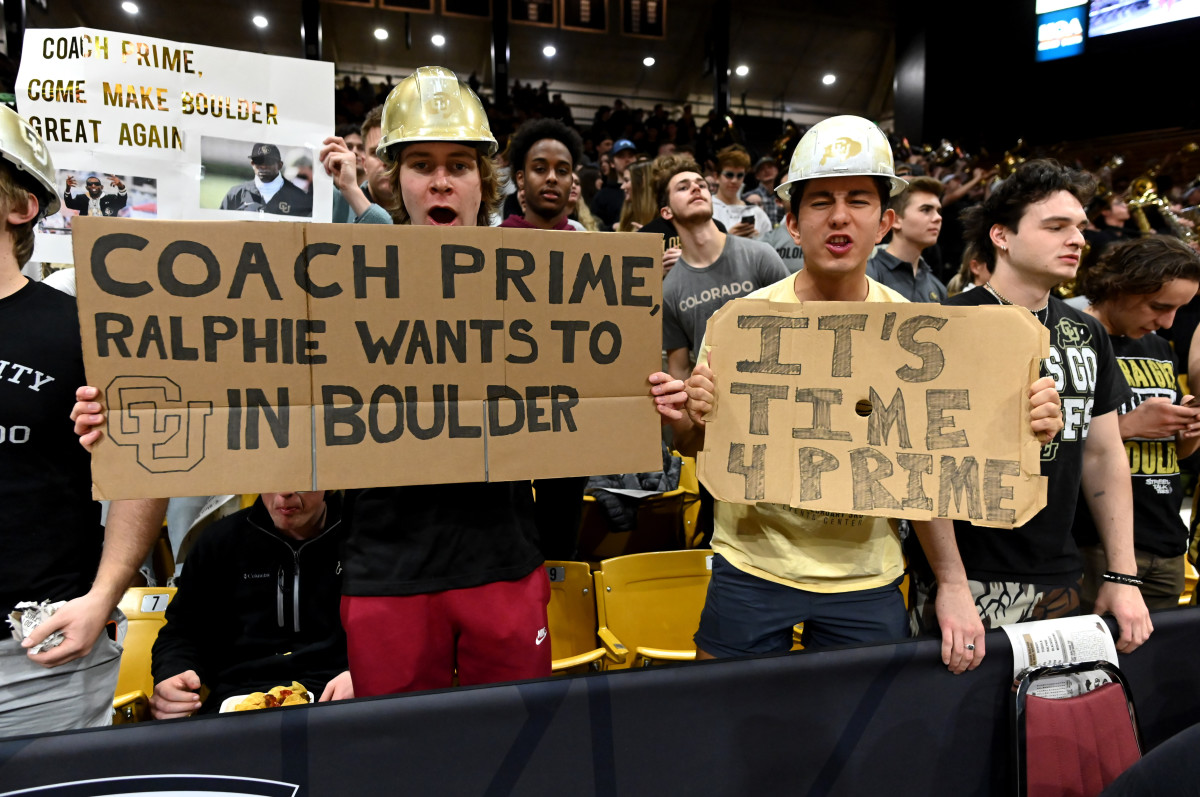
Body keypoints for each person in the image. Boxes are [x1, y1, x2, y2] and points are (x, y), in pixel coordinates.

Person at [314, 66, 685, 694]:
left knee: (517, 748)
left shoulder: (539, 283)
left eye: (458, 165)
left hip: (503, 559)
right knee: (401, 758)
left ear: (480, 182)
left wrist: (643, 400)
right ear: (394, 181)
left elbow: (582, 412)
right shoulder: (337, 283)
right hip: (389, 567)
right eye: (421, 164)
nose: (440, 180)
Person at [661, 116, 1064, 673]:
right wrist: (690, 416)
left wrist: (1024, 425)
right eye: (821, 201)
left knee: (860, 745)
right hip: (750, 569)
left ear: (885, 222)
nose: (840, 215)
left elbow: (930, 470)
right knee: (726, 726)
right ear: (793, 224)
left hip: (867, 578)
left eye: (858, 199)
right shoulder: (738, 325)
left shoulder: (920, 331)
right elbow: (691, 444)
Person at [921, 159, 1153, 654]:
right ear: (1001, 236)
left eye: (1079, 227)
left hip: (1058, 570)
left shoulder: (1085, 330)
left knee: (1047, 725)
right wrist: (953, 583)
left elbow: (1103, 454)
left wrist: (1123, 575)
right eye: (1056, 227)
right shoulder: (945, 324)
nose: (1077, 239)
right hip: (967, 574)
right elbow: (922, 466)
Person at [0, 106, 163, 738]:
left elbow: (143, 468)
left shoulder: (82, 330)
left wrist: (104, 596)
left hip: (38, 658)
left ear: (21, 205)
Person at [1071, 236, 1200, 611]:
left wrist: (1186, 432)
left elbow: (1173, 455)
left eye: (1179, 309)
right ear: (1119, 285)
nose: (1168, 321)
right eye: (1159, 306)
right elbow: (1044, 448)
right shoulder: (1072, 339)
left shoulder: (1158, 346)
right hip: (1094, 544)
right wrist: (1127, 425)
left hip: (1165, 538)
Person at [150, 491, 353, 718]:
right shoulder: (219, 542)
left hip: (338, 695)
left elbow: (394, 626)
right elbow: (181, 632)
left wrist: (363, 674)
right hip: (236, 701)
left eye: (300, 478)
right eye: (272, 480)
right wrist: (172, 674)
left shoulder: (362, 537)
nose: (285, 491)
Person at [657, 155, 788, 381]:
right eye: (683, 187)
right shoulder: (669, 291)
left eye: (701, 185)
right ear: (667, 211)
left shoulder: (760, 255)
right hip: (716, 409)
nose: (696, 189)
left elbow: (799, 326)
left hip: (777, 393)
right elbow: (679, 371)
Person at [867, 175, 949, 302]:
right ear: (895, 220)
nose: (938, 218)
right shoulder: (867, 274)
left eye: (939, 211)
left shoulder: (938, 288)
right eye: (926, 210)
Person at [500, 118, 583, 231]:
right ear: (521, 179)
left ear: (571, 182)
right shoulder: (498, 239)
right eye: (540, 169)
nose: (552, 178)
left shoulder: (584, 243)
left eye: (562, 171)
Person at [328, 106, 394, 225]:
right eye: (377, 153)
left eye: (392, 153)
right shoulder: (335, 203)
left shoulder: (424, 209)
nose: (386, 162)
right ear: (364, 163)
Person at [220, 142, 313, 217]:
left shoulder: (301, 199)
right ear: (252, 164)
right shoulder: (236, 194)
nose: (264, 166)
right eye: (259, 161)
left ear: (280, 165)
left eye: (269, 161)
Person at [709, 145, 772, 239]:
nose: (734, 180)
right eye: (729, 175)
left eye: (740, 175)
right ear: (716, 177)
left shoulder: (757, 213)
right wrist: (728, 239)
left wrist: (757, 241)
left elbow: (770, 247)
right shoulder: (706, 209)